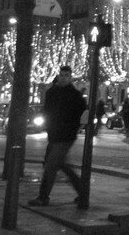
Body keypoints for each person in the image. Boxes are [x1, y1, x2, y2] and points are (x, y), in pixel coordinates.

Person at [29, 66, 87, 206]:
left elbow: (81, 112)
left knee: (51, 166)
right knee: (61, 165)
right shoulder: (52, 92)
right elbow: (47, 111)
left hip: (65, 136)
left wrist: (73, 127)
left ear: (70, 77)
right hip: (54, 134)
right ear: (58, 75)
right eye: (62, 74)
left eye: (67, 75)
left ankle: (43, 197)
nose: (64, 77)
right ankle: (83, 193)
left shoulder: (75, 95)